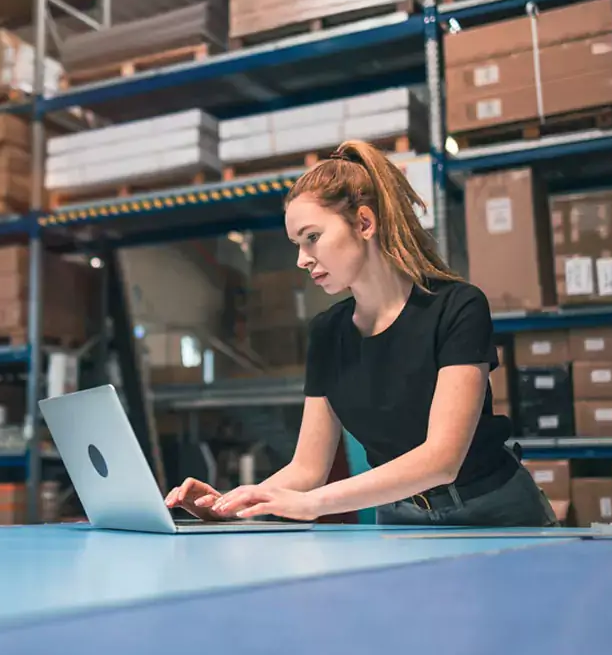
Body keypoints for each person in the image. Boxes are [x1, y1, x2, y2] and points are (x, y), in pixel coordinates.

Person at [164, 139, 558, 528]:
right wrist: (233, 504)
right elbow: (307, 468)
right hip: (402, 520)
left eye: (312, 237)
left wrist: (313, 503)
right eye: (297, 244)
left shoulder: (458, 307)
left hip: (496, 514)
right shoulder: (327, 333)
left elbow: (442, 459)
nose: (302, 259)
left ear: (364, 223)